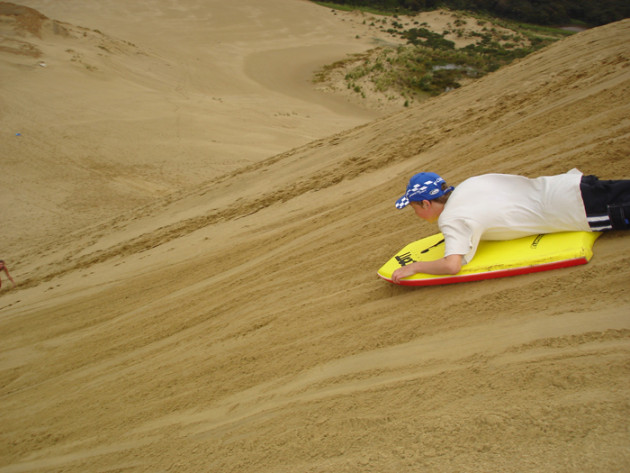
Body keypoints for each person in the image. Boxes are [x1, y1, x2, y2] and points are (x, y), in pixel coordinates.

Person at [391, 169, 630, 283]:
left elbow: (452, 265)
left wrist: (416, 266)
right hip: (573, 184)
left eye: (414, 209)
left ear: (425, 203)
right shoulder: (469, 183)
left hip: (578, 209)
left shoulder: (452, 218)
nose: (417, 215)